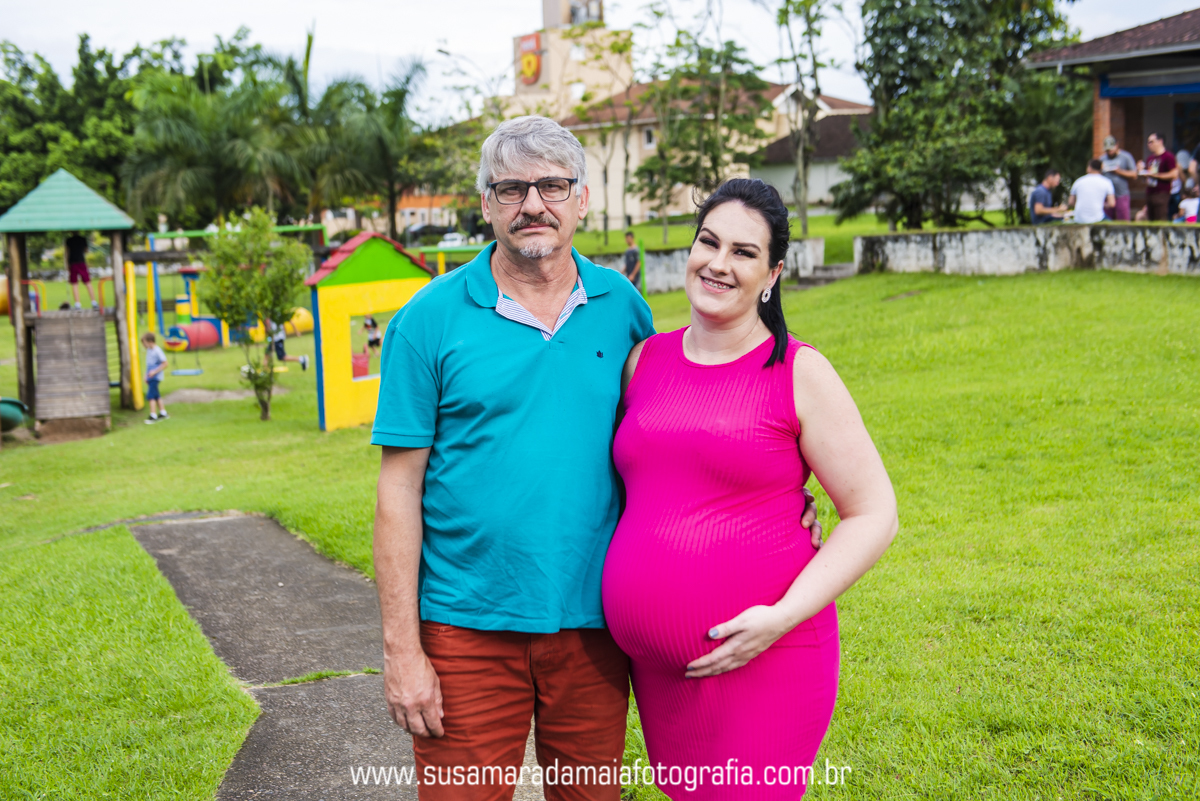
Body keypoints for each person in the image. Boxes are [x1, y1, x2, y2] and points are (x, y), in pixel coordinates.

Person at [370, 115, 828, 800]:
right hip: (467, 627)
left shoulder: (622, 309)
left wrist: (779, 497)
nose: (533, 204)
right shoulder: (426, 321)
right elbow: (397, 492)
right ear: (487, 204)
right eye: (511, 188)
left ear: (582, 199)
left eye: (553, 186)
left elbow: (668, 436)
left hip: (594, 631)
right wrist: (401, 650)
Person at [602, 178, 898, 799]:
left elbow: (874, 513)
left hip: (769, 655)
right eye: (709, 242)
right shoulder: (643, 362)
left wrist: (781, 618)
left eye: (743, 252)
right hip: (660, 675)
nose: (718, 263)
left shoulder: (799, 372)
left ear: (773, 274)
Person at [1138, 133, 1178, 222]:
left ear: (1160, 141)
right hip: (1150, 192)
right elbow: (1147, 177)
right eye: (1148, 142)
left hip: (1162, 193)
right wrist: (1141, 172)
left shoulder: (1168, 156)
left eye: (1151, 142)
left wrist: (1155, 175)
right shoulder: (1150, 159)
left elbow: (1174, 175)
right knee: (1150, 220)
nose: (1149, 144)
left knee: (1160, 220)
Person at [1099, 136, 1138, 221]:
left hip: (1121, 194)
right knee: (1107, 221)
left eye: (1111, 149)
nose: (1109, 152)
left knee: (1123, 221)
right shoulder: (1102, 159)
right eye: (1107, 150)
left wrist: (1119, 172)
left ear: (1117, 145)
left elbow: (1134, 174)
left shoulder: (1126, 156)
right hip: (1107, 196)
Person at [1068, 159, 1116, 224]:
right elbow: (1112, 204)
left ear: (1089, 168)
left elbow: (1071, 202)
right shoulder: (1107, 182)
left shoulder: (1078, 181)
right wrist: (1100, 204)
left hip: (1079, 218)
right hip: (1097, 218)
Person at [64, 232, 98, 310]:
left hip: (73, 263)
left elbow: (67, 252)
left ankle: (77, 304)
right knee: (87, 282)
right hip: (81, 262)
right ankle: (94, 302)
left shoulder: (69, 240)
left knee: (75, 284)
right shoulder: (82, 239)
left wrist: (67, 264)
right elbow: (86, 250)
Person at [141, 332, 169, 424]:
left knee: (150, 396)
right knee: (156, 395)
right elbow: (149, 365)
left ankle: (153, 416)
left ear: (150, 341)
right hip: (150, 377)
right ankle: (163, 413)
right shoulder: (149, 350)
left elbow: (165, 363)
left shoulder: (157, 351)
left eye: (144, 343)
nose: (143, 345)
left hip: (156, 377)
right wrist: (146, 375)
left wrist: (155, 372)